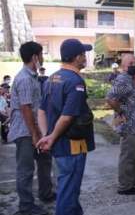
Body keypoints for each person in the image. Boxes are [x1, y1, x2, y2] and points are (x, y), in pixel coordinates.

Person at [37, 39, 95, 215]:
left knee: (68, 188)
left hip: (59, 146)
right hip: (72, 146)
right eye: (83, 55)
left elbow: (41, 111)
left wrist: (46, 135)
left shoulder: (51, 78)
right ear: (77, 57)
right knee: (68, 193)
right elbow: (67, 116)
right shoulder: (75, 81)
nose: (85, 58)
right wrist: (51, 137)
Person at [8, 41, 54, 215]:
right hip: (26, 132)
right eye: (41, 55)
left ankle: (46, 193)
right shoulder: (25, 79)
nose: (42, 58)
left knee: (45, 161)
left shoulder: (32, 76)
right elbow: (26, 109)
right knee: (26, 169)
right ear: (35, 57)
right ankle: (26, 206)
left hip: (35, 130)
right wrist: (35, 134)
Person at [106, 53, 135, 195]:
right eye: (131, 63)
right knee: (128, 156)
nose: (134, 65)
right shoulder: (123, 80)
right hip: (128, 125)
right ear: (123, 66)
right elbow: (111, 98)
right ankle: (125, 186)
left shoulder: (129, 79)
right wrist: (121, 113)